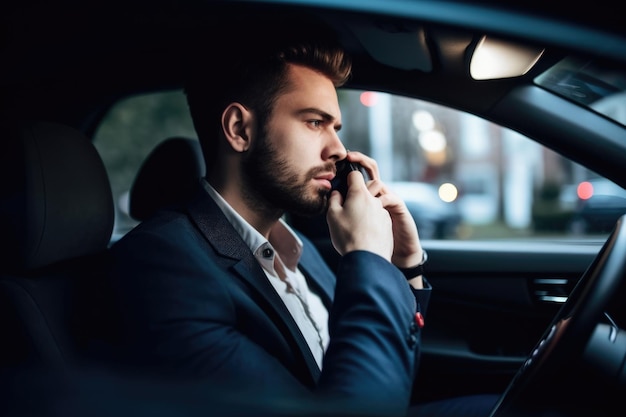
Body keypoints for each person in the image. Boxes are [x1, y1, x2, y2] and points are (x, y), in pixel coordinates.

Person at [107, 11, 498, 417]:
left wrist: (405, 269)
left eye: (336, 127)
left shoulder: (300, 251)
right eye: (315, 123)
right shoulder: (160, 266)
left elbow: (389, 379)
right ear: (240, 129)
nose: (338, 150)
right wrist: (367, 259)